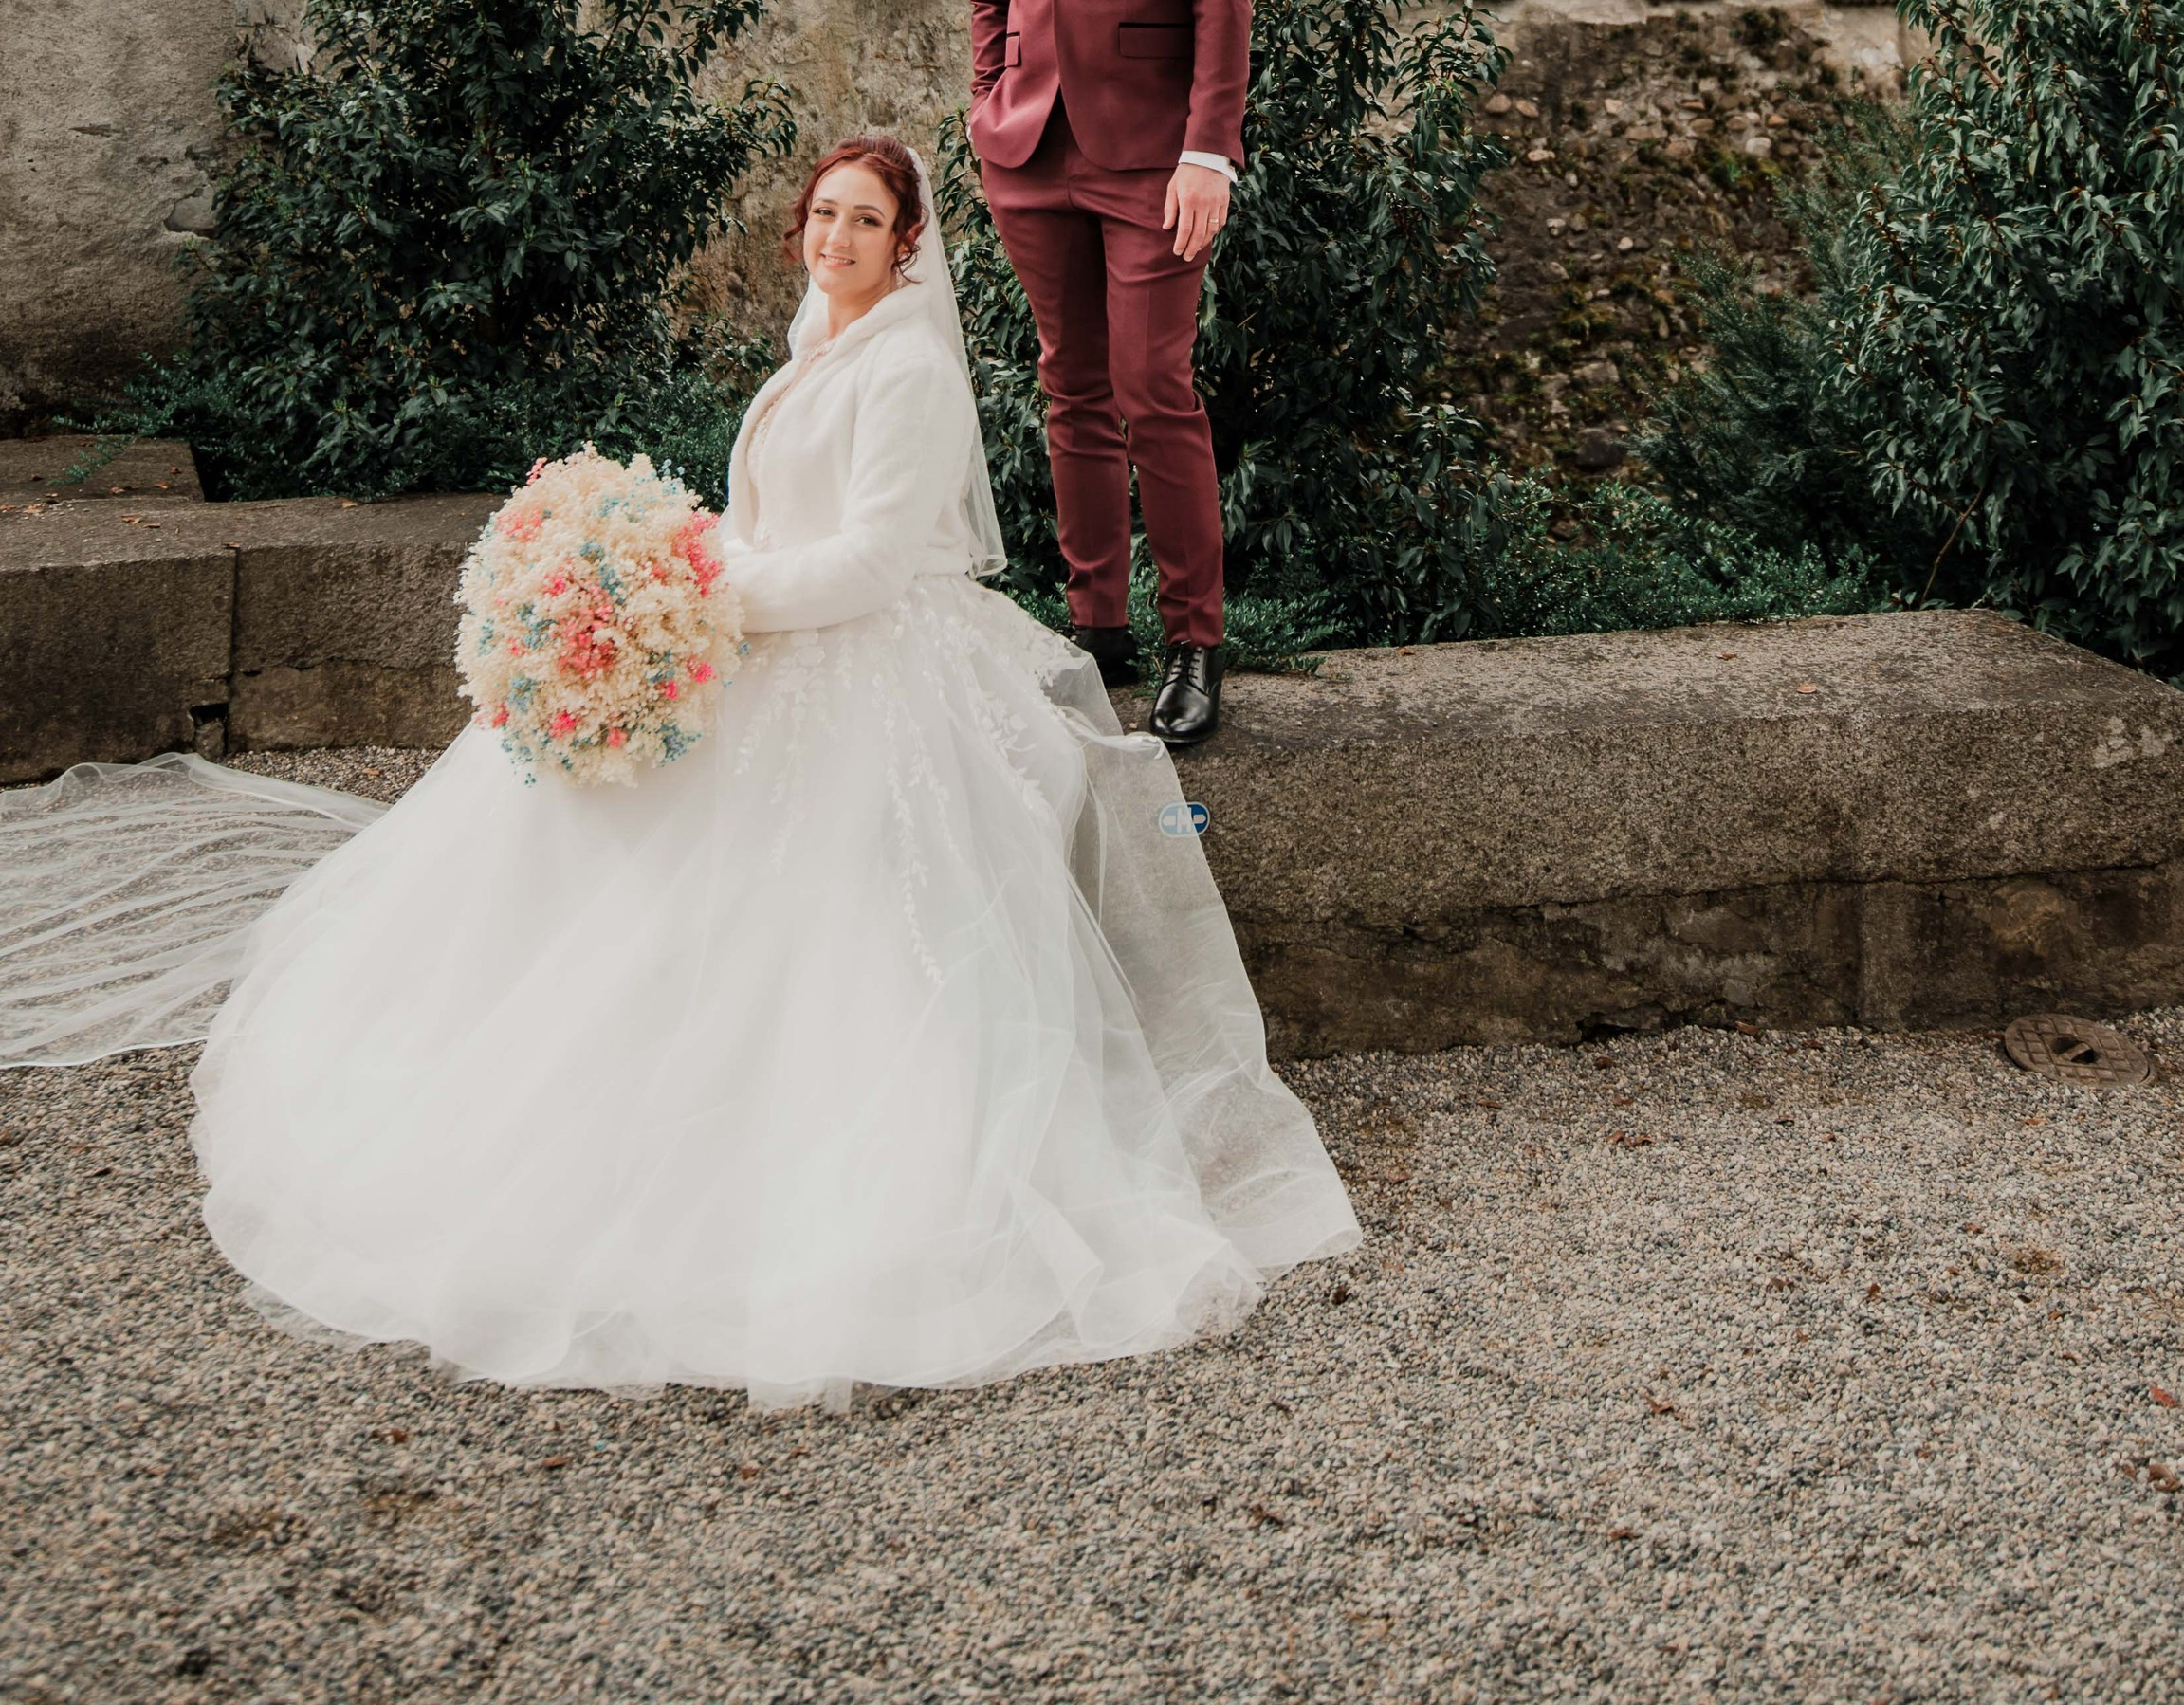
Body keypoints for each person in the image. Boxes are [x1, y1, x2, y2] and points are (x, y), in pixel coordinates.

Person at [0, 138, 1354, 1402]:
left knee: (805, 919)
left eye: (865, 222)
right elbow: (778, 517)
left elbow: (873, 562)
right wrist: (674, 569)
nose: (835, 237)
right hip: (764, 626)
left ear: (907, 245)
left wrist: (694, 593)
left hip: (864, 661)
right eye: (822, 215)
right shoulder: (822, 333)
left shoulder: (909, 372)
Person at [970, 0, 1252, 751]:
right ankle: (1096, 628)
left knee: (1152, 386)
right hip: (1028, 148)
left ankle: (1194, 639)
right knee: (1071, 388)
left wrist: (1207, 150)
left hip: (1154, 157)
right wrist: (989, 97)